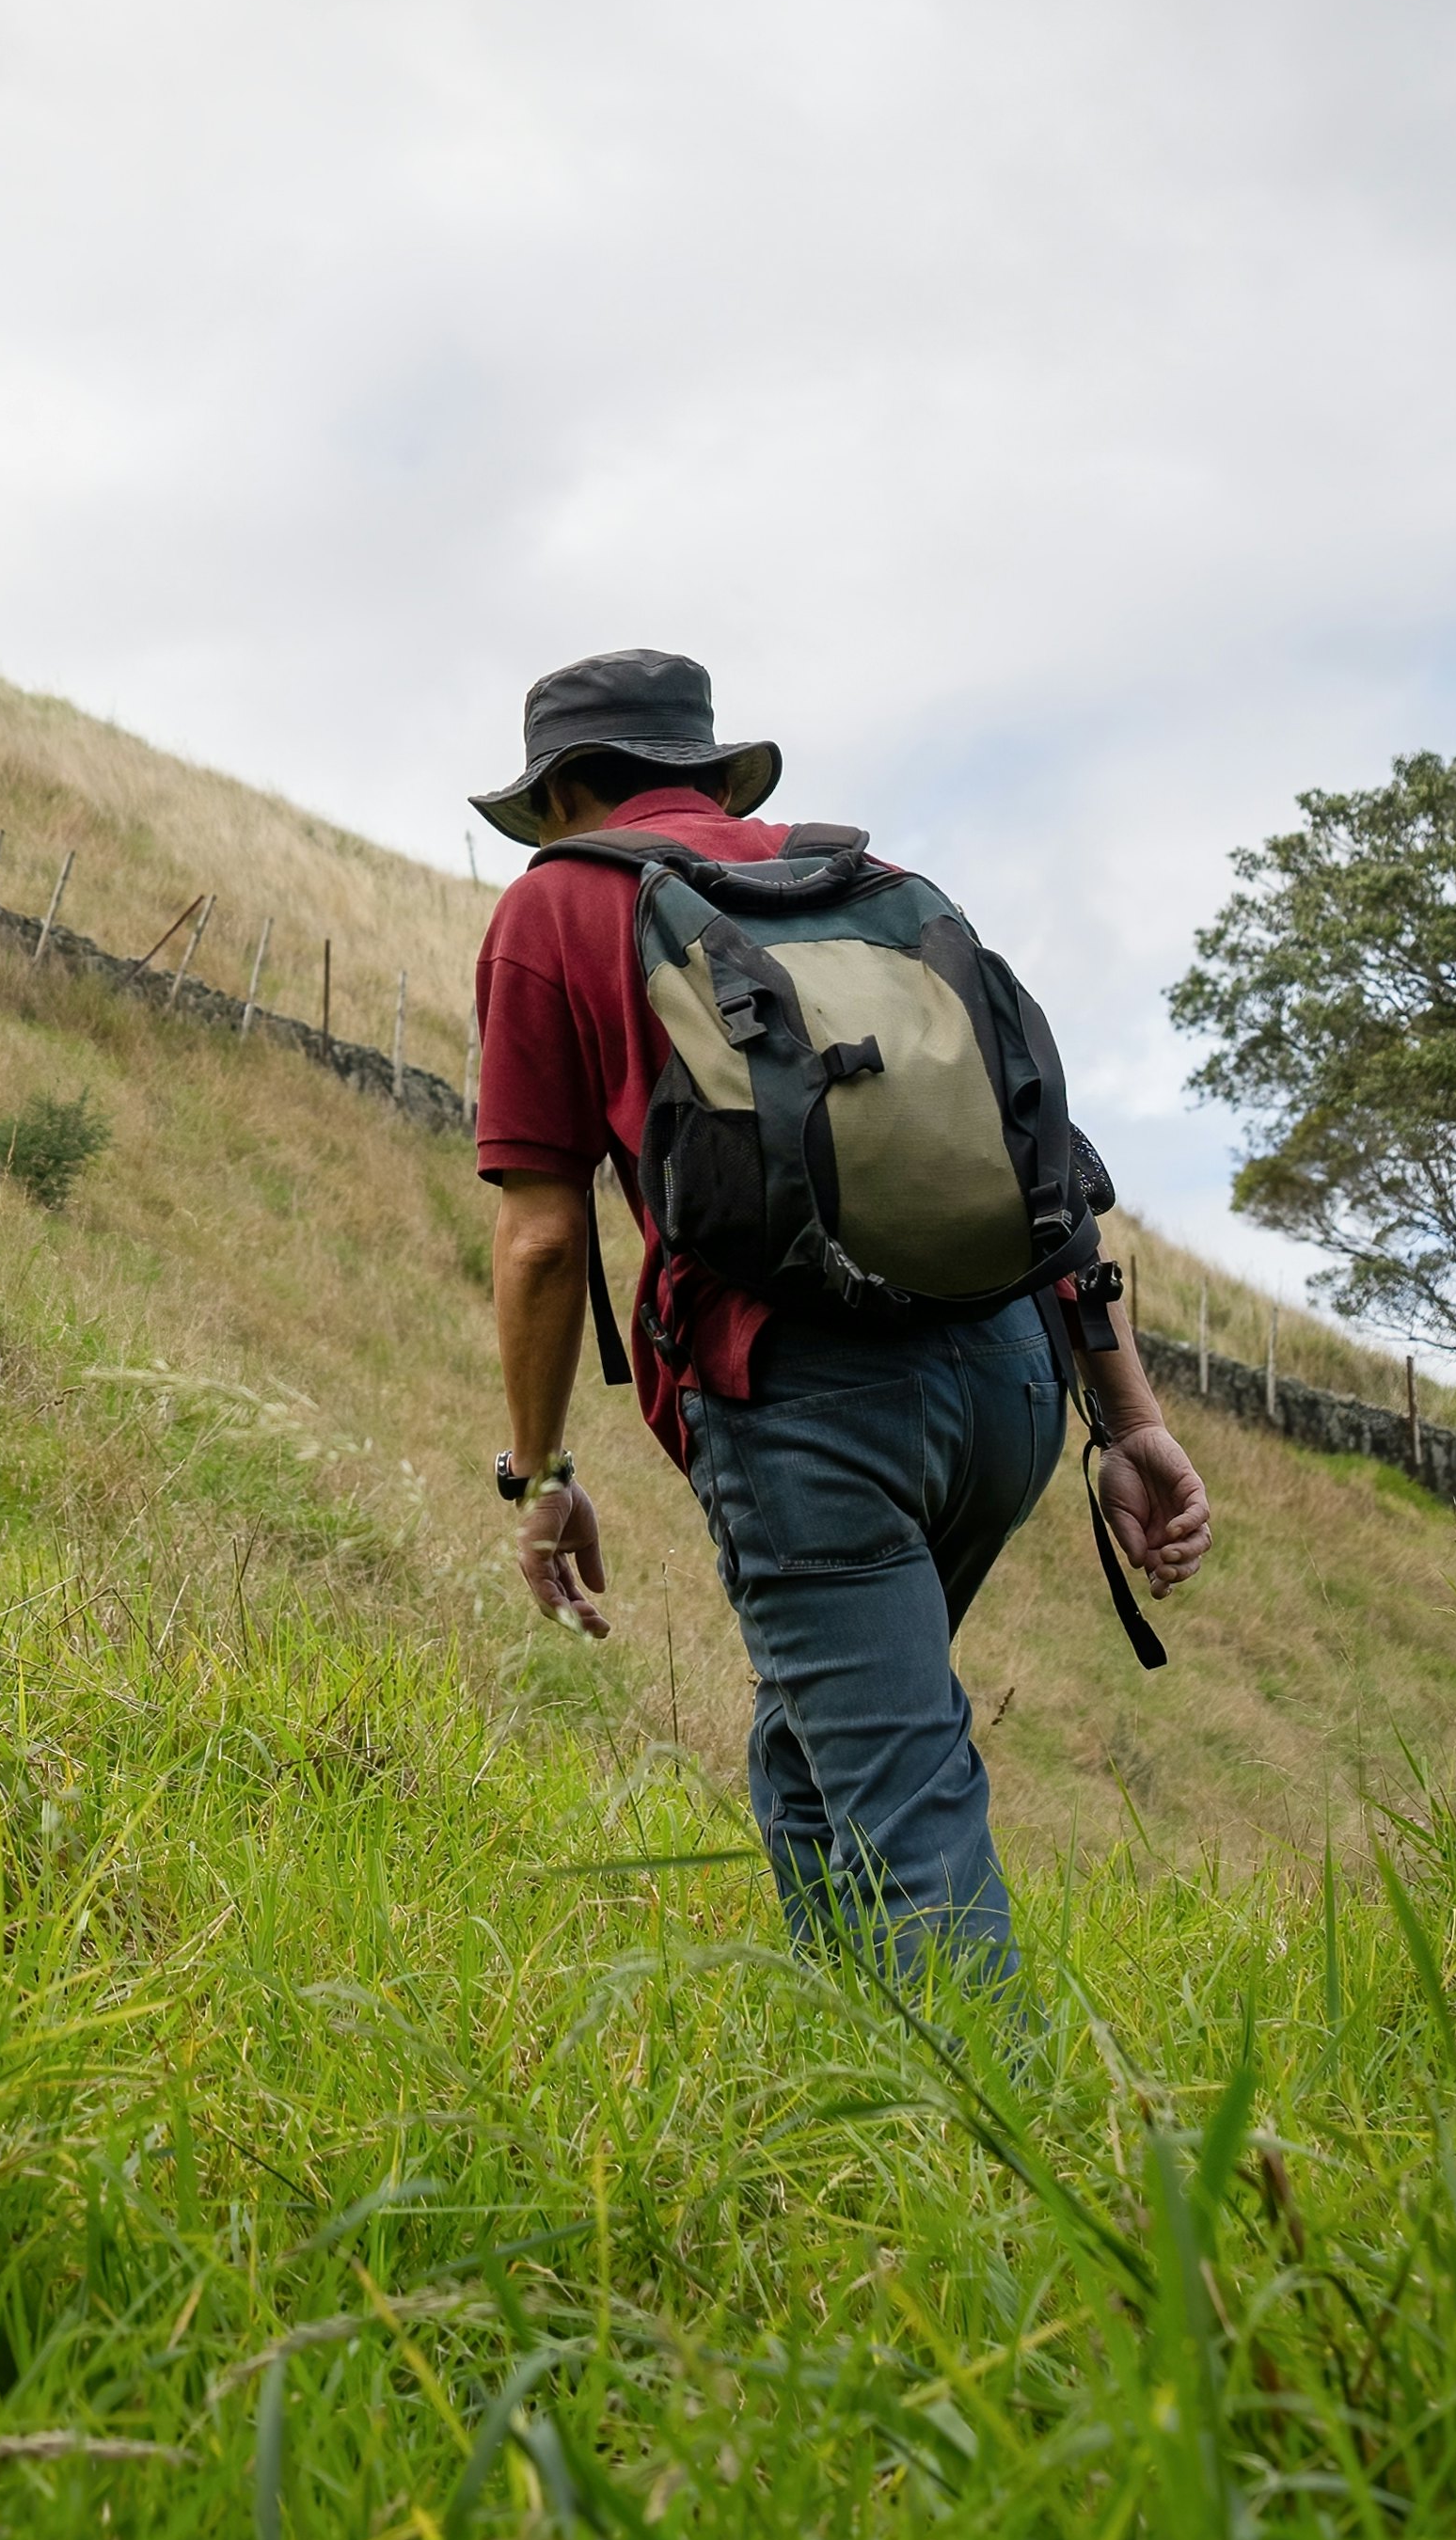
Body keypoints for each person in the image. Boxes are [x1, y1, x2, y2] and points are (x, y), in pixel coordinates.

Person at [469, 645, 1211, 1971]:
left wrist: (543, 1475)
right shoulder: (878, 892)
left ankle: (1007, 2156)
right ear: (704, 770)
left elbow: (537, 1238)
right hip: (1011, 1385)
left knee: (904, 1813)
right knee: (817, 1750)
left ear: (570, 788)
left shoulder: (558, 907)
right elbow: (1042, 1172)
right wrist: (1130, 1422)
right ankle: (853, 2081)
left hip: (807, 1407)